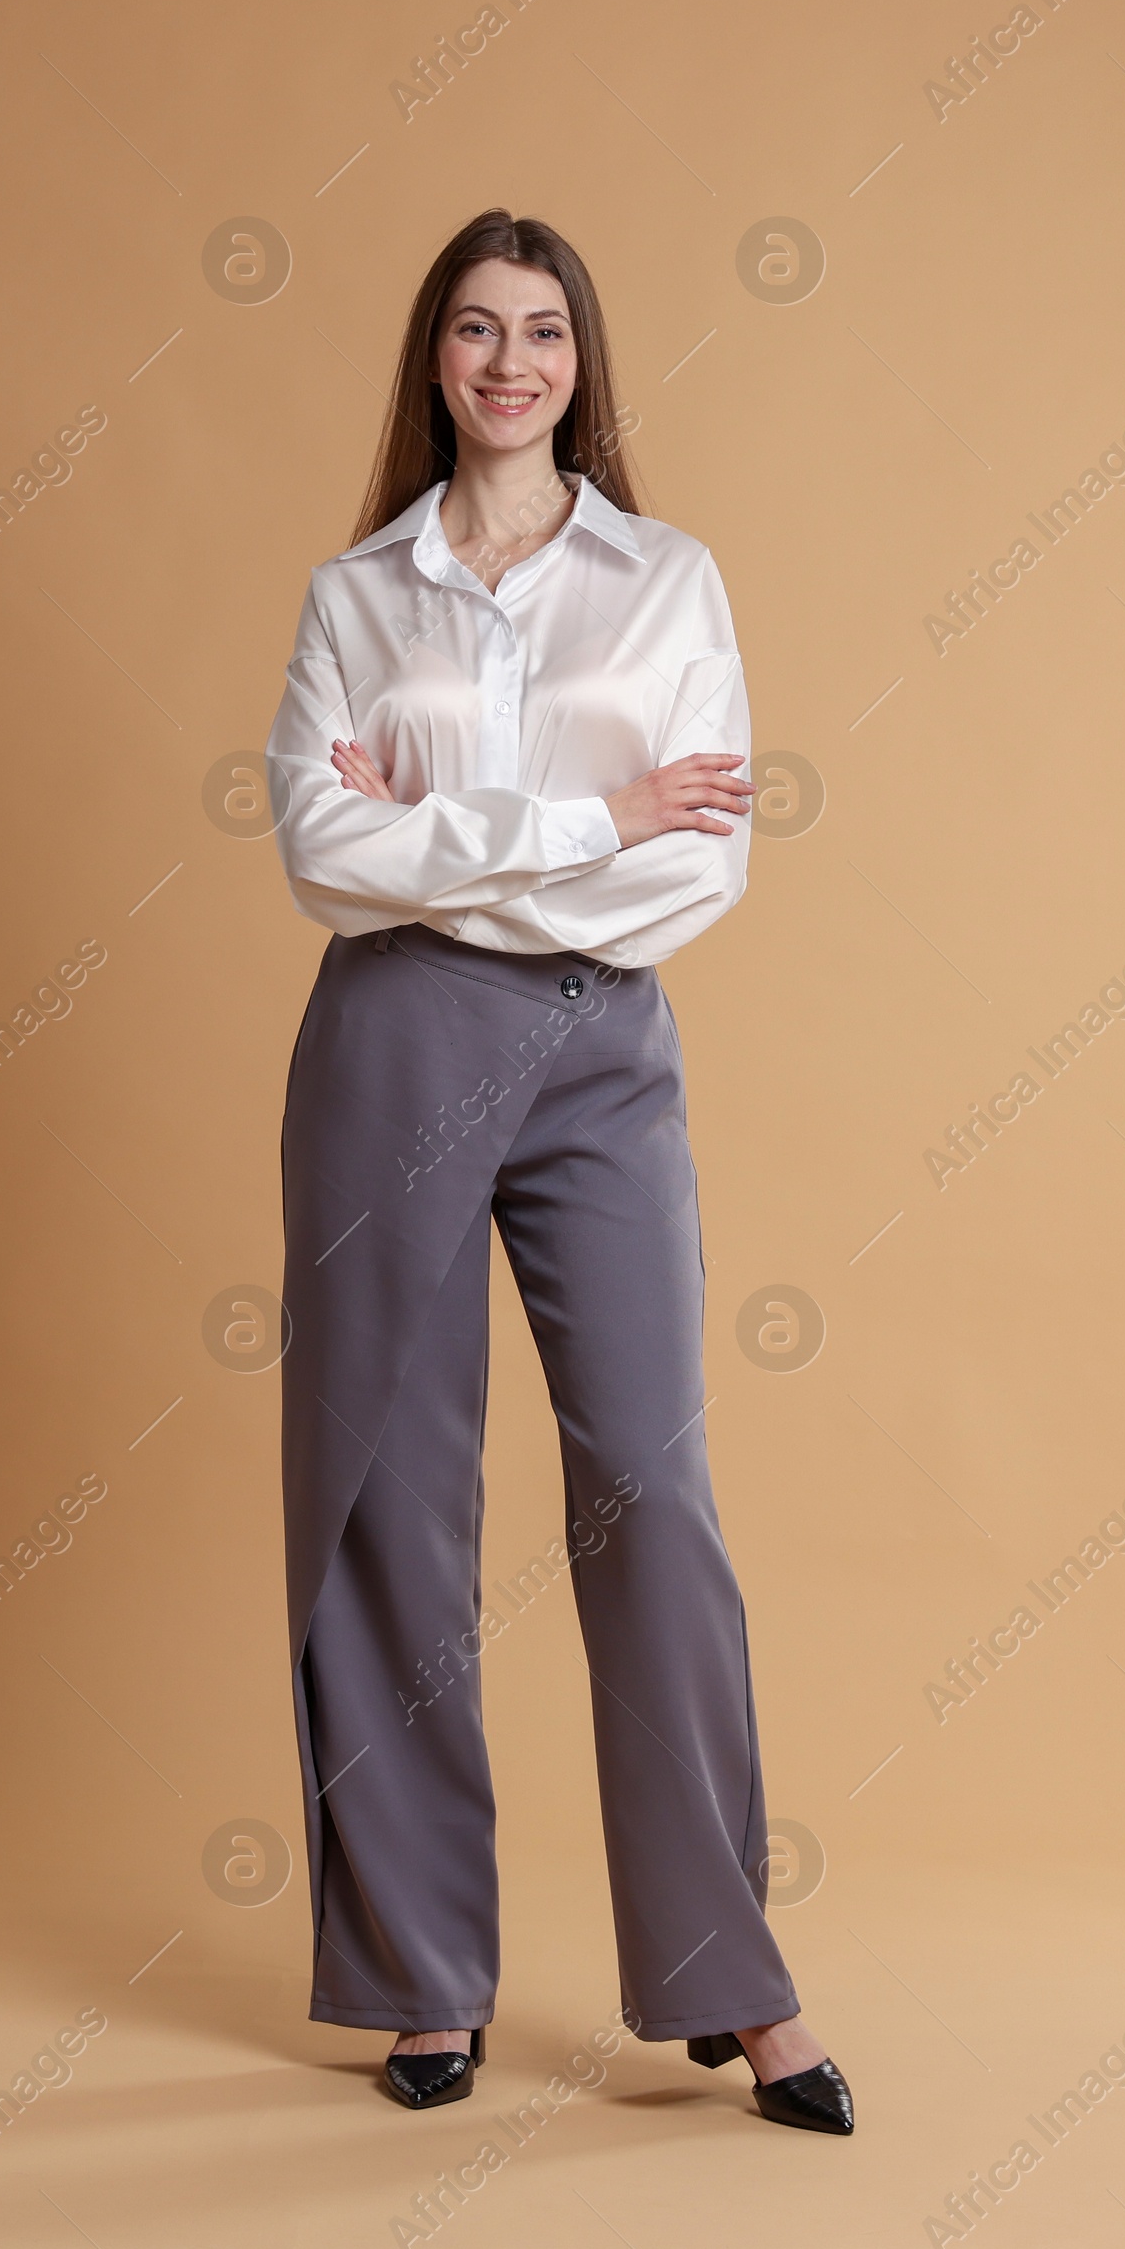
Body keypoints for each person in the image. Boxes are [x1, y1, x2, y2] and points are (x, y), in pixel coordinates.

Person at [264, 209, 852, 2135]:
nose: (509, 362)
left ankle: (728, 1976)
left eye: (542, 330)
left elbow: (704, 866)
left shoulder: (668, 580)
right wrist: (592, 813)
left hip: (604, 1044)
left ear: (582, 359)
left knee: (650, 1488)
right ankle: (423, 1978)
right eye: (472, 330)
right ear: (431, 360)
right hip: (392, 1045)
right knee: (387, 1498)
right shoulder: (360, 593)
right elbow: (319, 859)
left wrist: (460, 832)